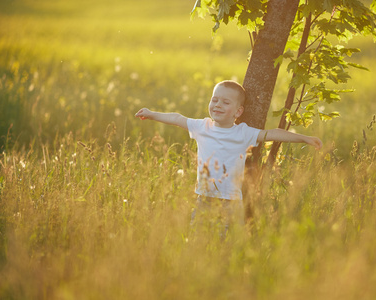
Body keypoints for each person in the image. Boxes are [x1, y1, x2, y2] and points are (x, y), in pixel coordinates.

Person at [135, 80, 322, 236]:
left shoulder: (243, 133)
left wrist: (304, 138)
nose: (217, 105)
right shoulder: (202, 127)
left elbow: (273, 133)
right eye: (214, 100)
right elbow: (177, 118)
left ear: (238, 112)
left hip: (231, 202)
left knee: (229, 245)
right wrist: (151, 114)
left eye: (225, 102)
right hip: (204, 199)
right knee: (198, 241)